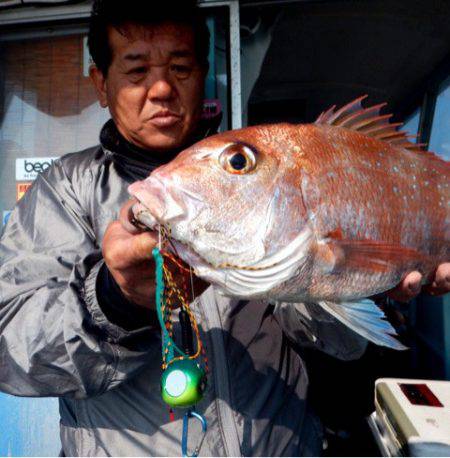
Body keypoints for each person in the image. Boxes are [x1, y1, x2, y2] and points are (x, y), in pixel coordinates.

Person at [0, 0, 448, 456]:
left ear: (203, 72)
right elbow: (12, 350)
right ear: (101, 83)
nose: (160, 89)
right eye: (136, 72)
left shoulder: (257, 172)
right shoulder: (64, 191)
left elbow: (335, 343)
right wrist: (117, 302)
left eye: (180, 67)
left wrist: (358, 284)